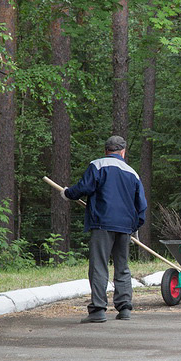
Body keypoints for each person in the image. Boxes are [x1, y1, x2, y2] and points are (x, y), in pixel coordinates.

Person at [62, 135, 147, 323]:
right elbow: (141, 205)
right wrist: (134, 226)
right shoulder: (132, 173)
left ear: (105, 150)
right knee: (122, 267)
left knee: (99, 265)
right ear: (123, 152)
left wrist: (68, 193)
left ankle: (98, 310)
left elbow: (84, 187)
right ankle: (125, 308)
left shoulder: (98, 165)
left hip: (102, 223)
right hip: (125, 226)